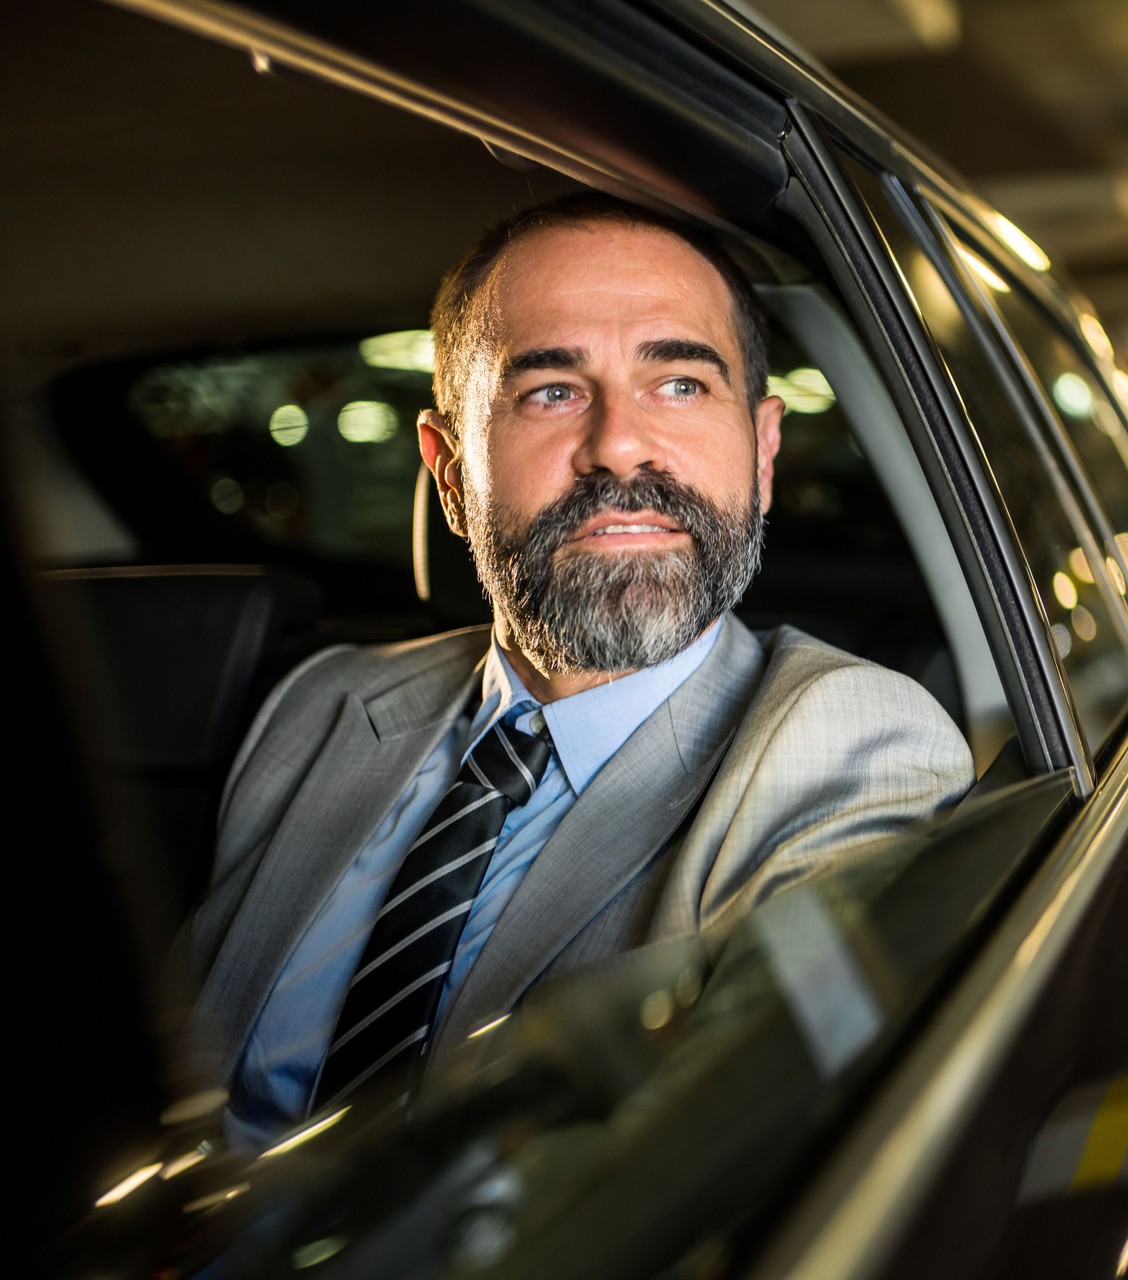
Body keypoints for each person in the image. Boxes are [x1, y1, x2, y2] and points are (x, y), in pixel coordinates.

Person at [177, 193, 975, 1148]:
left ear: (763, 453)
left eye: (680, 383)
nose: (619, 445)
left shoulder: (848, 744)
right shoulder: (323, 703)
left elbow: (758, 1158)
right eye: (550, 391)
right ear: (450, 475)